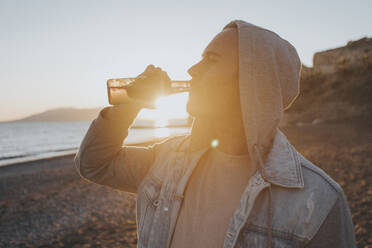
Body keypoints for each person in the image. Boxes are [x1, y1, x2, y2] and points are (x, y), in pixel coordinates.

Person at [74, 20, 356, 247]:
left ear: (251, 82)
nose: (192, 69)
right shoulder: (168, 159)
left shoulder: (320, 200)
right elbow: (94, 163)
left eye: (210, 60)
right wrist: (131, 104)